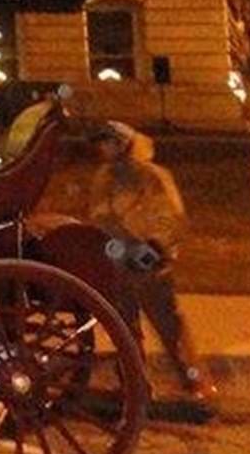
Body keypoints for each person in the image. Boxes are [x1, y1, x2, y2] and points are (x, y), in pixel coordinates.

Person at [88, 121, 216, 406]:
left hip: (150, 262)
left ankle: (196, 382)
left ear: (124, 144)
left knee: (170, 328)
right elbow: (99, 218)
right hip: (119, 261)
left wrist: (147, 256)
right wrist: (113, 253)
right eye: (101, 143)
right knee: (126, 330)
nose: (103, 148)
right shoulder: (103, 177)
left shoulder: (152, 176)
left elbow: (169, 219)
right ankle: (135, 385)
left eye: (109, 142)